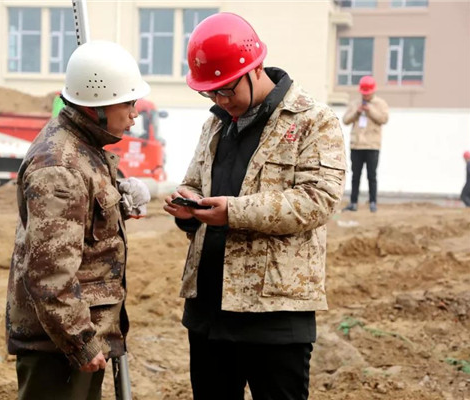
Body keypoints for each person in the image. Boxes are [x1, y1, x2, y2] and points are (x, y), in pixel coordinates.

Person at [162, 13, 346, 400]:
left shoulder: (313, 121)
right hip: (209, 311)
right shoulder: (216, 123)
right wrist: (188, 208)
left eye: (226, 91)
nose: (220, 101)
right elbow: (195, 182)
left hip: (273, 316)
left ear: (255, 68)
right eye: (210, 94)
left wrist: (234, 212)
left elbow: (318, 200)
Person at [5, 40, 151, 400]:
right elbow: (50, 270)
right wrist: (80, 341)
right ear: (96, 105)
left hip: (72, 340)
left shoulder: (83, 147)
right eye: (128, 103)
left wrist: (120, 201)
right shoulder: (61, 167)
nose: (134, 114)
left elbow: (83, 224)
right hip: (60, 348)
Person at [342, 75, 389, 213]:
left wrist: (369, 110)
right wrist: (357, 112)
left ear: (373, 91)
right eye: (364, 93)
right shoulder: (355, 104)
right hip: (356, 145)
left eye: (367, 93)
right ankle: (353, 202)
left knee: (371, 176)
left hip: (372, 146)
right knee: (355, 176)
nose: (365, 95)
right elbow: (345, 120)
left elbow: (384, 119)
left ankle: (373, 202)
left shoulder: (380, 104)